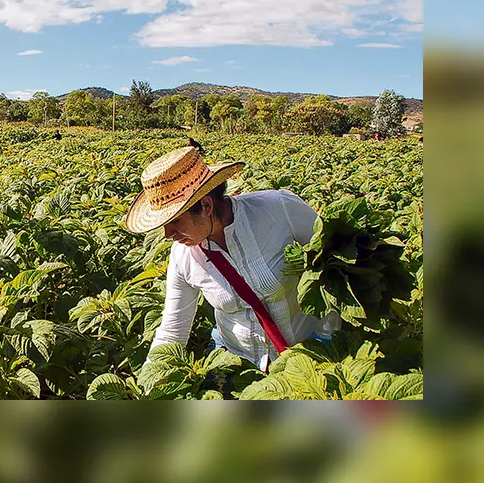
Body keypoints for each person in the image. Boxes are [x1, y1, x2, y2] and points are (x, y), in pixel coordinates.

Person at [124, 144, 338, 376]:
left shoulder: (279, 209)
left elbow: (335, 266)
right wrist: (149, 382)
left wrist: (327, 337)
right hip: (235, 363)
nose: (167, 234)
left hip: (307, 353)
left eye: (174, 221)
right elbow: (173, 329)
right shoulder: (182, 255)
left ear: (206, 205)